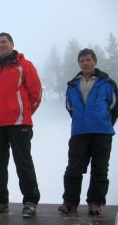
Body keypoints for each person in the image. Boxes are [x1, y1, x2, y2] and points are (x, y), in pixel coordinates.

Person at [0, 32, 42, 218]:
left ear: (12, 43)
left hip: (19, 124)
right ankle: (0, 201)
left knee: (23, 162)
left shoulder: (24, 65)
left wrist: (23, 113)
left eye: (4, 42)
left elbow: (35, 95)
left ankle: (30, 201)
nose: (1, 45)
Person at [58, 48, 118, 215]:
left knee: (100, 169)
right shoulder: (72, 85)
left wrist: (105, 122)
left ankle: (95, 202)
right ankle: (70, 202)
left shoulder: (107, 83)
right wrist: (81, 121)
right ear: (79, 63)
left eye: (88, 60)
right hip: (79, 133)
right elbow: (70, 107)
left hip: (102, 133)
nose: (85, 63)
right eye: (82, 60)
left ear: (95, 61)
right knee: (73, 169)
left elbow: (114, 107)